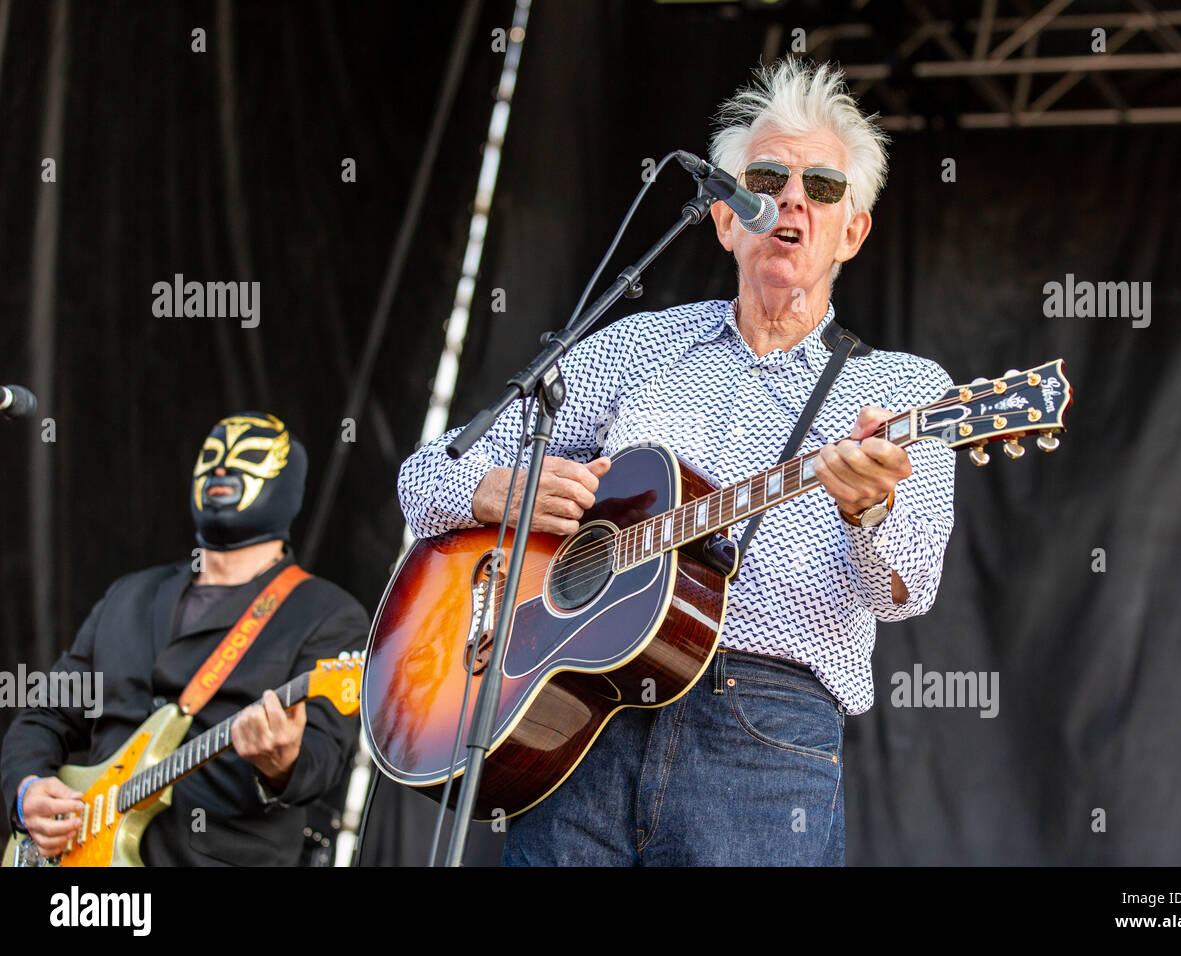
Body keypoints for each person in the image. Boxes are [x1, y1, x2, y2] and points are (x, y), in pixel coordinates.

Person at [397, 58, 956, 866]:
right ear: (727, 219)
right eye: (766, 178)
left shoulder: (904, 390)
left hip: (766, 742)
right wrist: (497, 491)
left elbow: (906, 592)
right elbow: (423, 476)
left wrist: (868, 511)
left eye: (823, 188)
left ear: (853, 231)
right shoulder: (635, 346)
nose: (793, 198)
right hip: (581, 720)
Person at [2, 412, 369, 866]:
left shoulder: (327, 613)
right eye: (212, 456)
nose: (221, 469)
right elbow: (44, 714)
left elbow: (325, 757)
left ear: (289, 485)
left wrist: (283, 763)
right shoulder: (129, 595)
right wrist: (27, 790)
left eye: (248, 456)